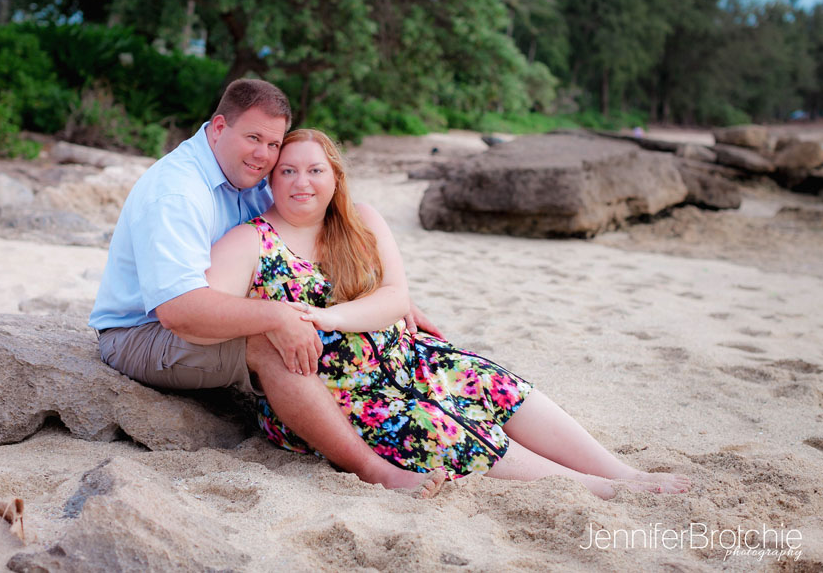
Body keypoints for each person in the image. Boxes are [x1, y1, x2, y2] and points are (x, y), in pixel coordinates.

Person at [193, 128, 692, 499]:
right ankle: (593, 489)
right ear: (272, 180)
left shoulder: (362, 221)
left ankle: (622, 473)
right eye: (288, 171)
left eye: (315, 170)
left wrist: (324, 318)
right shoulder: (249, 241)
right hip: (336, 395)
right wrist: (275, 318)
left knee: (494, 384)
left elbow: (394, 297)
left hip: (407, 356)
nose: (302, 182)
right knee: (440, 427)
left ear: (335, 178)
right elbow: (209, 309)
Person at [89, 79, 444, 496]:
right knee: (271, 341)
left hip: (204, 311)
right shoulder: (177, 193)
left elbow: (303, 245)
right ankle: (373, 469)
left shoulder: (249, 174)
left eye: (273, 144)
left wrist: (390, 297)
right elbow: (178, 312)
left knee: (319, 325)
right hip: (143, 333)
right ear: (219, 127)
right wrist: (276, 315)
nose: (264, 155)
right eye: (253, 137)